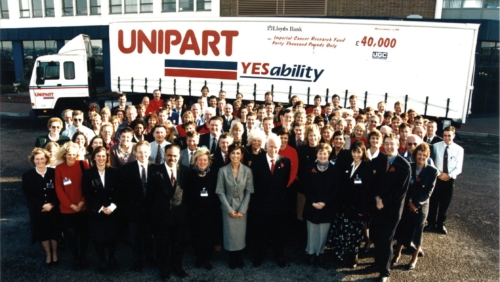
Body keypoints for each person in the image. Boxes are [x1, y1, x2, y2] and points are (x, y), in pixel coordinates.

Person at [369, 133, 411, 282]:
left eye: (392, 143)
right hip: (377, 206)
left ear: (398, 144)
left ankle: (384, 272)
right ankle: (377, 264)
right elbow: (373, 183)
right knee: (376, 236)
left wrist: (383, 201)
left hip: (392, 209)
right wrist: (376, 198)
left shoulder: (404, 165)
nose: (389, 146)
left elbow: (400, 191)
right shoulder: (379, 160)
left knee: (386, 240)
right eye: (386, 143)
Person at [146, 145, 189, 279]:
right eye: (170, 155)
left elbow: (187, 194)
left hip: (179, 216)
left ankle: (177, 266)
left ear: (179, 156)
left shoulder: (185, 171)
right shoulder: (154, 171)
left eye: (175, 155)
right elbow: (150, 197)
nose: (172, 158)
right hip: (161, 216)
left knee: (179, 243)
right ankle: (164, 269)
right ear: (164, 155)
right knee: (162, 244)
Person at [393, 143, 438, 270]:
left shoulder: (432, 171)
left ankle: (414, 258)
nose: (421, 157)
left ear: (427, 155)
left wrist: (416, 204)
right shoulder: (409, 167)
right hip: (407, 203)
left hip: (421, 206)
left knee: (417, 231)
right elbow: (403, 186)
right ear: (415, 155)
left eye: (424, 155)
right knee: (402, 227)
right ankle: (397, 254)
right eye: (419, 154)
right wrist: (409, 202)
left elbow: (428, 191)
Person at [327, 142, 372, 267]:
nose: (356, 154)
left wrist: (363, 209)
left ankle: (354, 257)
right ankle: (343, 255)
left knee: (355, 234)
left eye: (359, 152)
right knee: (345, 233)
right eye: (354, 151)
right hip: (346, 207)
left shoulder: (366, 167)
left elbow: (367, 190)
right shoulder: (348, 165)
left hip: (358, 208)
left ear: (363, 153)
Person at [249, 135, 291, 268]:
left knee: (278, 232)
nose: (273, 149)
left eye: (276, 147)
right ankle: (258, 256)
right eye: (271, 146)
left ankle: (279, 255)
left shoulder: (285, 161)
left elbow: (284, 183)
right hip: (261, 204)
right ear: (266, 146)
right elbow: (254, 184)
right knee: (260, 232)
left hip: (278, 204)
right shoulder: (256, 161)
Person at [82, 146, 120, 273]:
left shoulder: (114, 172)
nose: (101, 158)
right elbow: (87, 194)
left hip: (112, 210)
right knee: (98, 238)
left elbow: (120, 193)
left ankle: (112, 257)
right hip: (96, 211)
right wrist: (100, 208)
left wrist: (111, 207)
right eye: (98, 156)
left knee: (112, 237)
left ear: (107, 157)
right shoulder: (88, 174)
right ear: (93, 158)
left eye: (103, 156)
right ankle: (102, 259)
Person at [216, 144, 254, 269]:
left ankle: (239, 257)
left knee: (240, 234)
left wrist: (242, 209)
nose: (235, 156)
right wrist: (229, 209)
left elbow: (249, 191)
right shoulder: (222, 171)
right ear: (229, 154)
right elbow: (220, 191)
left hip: (242, 206)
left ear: (242, 155)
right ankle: (232, 258)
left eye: (238, 153)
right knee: (230, 234)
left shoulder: (248, 171)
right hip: (228, 206)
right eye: (233, 153)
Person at [54, 141, 90, 270]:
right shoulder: (59, 168)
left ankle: (83, 256)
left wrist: (81, 202)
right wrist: (71, 205)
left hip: (83, 207)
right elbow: (59, 189)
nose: (71, 157)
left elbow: (89, 185)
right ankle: (76, 257)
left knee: (84, 234)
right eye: (69, 154)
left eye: (74, 154)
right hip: (67, 210)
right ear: (64, 154)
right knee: (71, 235)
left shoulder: (83, 164)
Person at [120, 140, 155, 272]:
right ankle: (137, 260)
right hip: (134, 210)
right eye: (140, 152)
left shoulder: (156, 167)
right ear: (135, 153)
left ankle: (150, 257)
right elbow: (123, 193)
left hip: (151, 210)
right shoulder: (126, 169)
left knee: (150, 237)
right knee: (135, 238)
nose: (143, 154)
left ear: (149, 152)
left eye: (145, 152)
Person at [22, 148, 61, 266]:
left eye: (42, 158)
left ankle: (55, 253)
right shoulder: (27, 175)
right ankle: (48, 254)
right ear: (33, 160)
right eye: (37, 159)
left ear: (46, 159)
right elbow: (28, 194)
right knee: (43, 233)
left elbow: (58, 190)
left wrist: (52, 204)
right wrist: (41, 205)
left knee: (54, 232)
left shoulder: (53, 172)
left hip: (53, 208)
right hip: (38, 210)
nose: (40, 161)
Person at [302, 143, 339, 265]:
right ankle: (311, 253)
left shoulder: (334, 169)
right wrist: (313, 202)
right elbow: (306, 187)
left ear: (328, 154)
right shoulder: (310, 168)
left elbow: (335, 189)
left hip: (327, 206)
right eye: (320, 153)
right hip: (311, 205)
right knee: (312, 230)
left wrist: (325, 202)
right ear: (316, 154)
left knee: (323, 231)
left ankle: (320, 253)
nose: (322, 155)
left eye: (325, 153)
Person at [185, 148, 221, 270]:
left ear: (209, 161)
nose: (202, 162)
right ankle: (199, 257)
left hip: (210, 211)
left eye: (205, 160)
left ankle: (207, 258)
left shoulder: (214, 174)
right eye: (200, 160)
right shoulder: (190, 174)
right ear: (196, 160)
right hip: (195, 211)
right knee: (197, 235)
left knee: (209, 235)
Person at [426, 126, 464, 235]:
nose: (447, 138)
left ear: (454, 136)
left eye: (449, 136)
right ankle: (431, 223)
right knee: (433, 202)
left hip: (449, 180)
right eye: (445, 135)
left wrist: (449, 175)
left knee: (445, 203)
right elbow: (431, 161)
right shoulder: (436, 146)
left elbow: (458, 167)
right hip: (437, 178)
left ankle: (440, 224)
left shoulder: (459, 149)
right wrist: (438, 174)